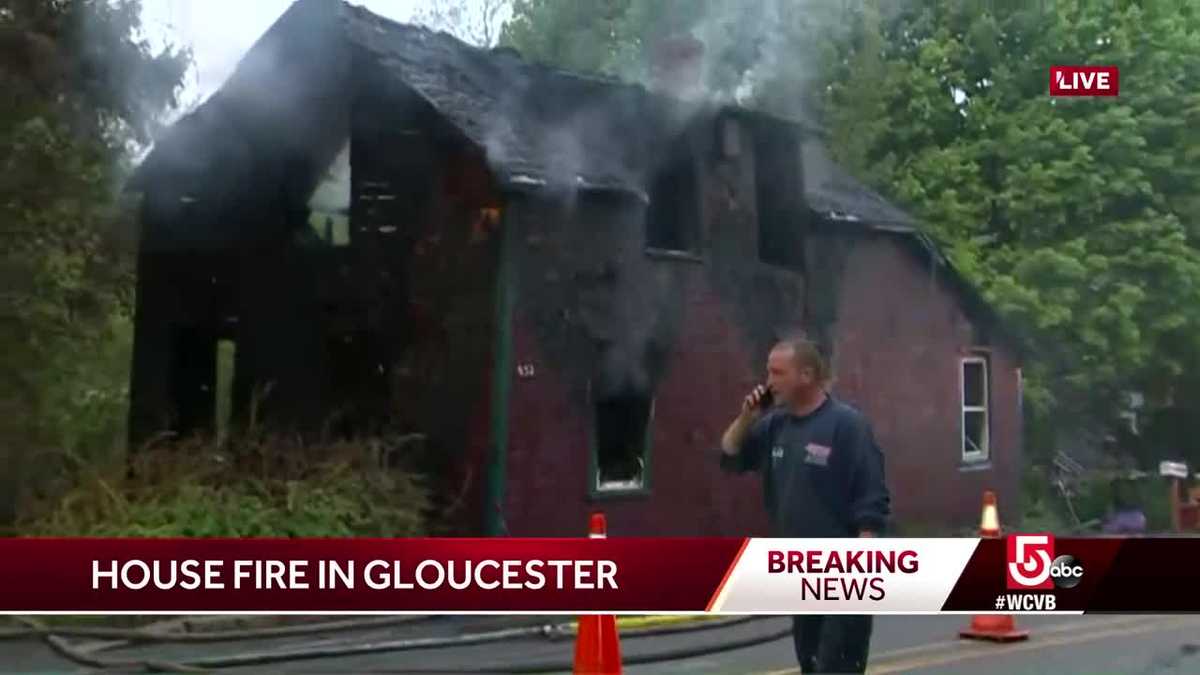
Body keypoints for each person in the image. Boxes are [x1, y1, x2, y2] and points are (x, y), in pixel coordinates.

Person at [718, 335, 891, 674]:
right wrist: (747, 418)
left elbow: (872, 500)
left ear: (807, 375)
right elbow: (729, 456)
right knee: (810, 664)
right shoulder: (774, 426)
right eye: (769, 372)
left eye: (778, 373)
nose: (769, 382)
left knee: (837, 667)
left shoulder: (846, 425)